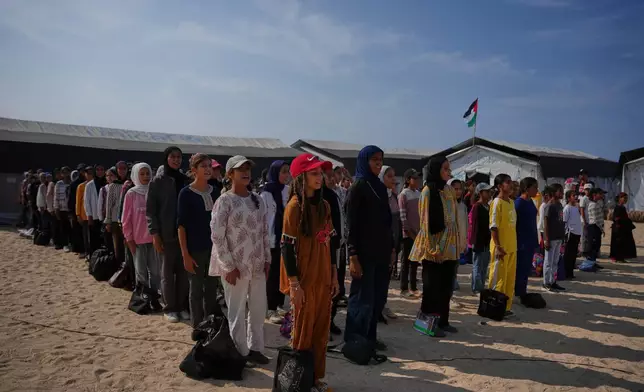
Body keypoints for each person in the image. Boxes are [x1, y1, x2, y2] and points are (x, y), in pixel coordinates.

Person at [280, 153, 339, 391]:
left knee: (321, 331)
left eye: (320, 173)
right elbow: (286, 248)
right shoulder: (294, 208)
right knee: (302, 332)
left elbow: (331, 244)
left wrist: (334, 275)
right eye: (314, 173)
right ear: (301, 177)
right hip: (303, 279)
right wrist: (294, 285)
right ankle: (299, 381)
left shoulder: (325, 206)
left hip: (324, 277)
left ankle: (315, 378)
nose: (319, 177)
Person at [209, 155, 270, 365]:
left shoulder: (258, 200)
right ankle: (240, 352)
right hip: (235, 266)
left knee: (258, 308)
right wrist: (228, 266)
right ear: (230, 174)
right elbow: (217, 236)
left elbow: (264, 232)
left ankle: (256, 348)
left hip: (257, 264)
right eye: (239, 169)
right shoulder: (224, 201)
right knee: (236, 310)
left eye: (247, 168)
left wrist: (267, 259)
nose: (245, 172)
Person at [344, 145, 393, 352]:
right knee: (361, 298)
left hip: (381, 253)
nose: (378, 163)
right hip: (363, 254)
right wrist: (353, 256)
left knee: (376, 298)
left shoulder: (380, 187)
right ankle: (355, 340)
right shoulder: (358, 187)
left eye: (380, 159)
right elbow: (350, 225)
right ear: (365, 161)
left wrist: (391, 250)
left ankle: (369, 337)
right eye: (374, 159)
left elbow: (386, 222)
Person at [409, 156, 459, 337]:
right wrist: (432, 249)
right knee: (432, 288)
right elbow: (425, 222)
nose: (449, 172)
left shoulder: (448, 190)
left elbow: (454, 220)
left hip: (450, 247)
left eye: (449, 169)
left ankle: (443, 321)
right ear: (436, 169)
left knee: (446, 287)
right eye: (445, 169)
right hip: (434, 247)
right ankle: (427, 325)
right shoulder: (427, 191)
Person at [178, 154, 222, 329]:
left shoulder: (216, 191)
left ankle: (210, 325)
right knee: (196, 290)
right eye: (203, 166)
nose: (208, 169)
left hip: (214, 250)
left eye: (209, 165)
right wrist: (185, 255)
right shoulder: (186, 193)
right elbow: (181, 226)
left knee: (211, 289)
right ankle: (197, 327)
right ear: (194, 170)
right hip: (195, 250)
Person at [147, 146, 190, 323]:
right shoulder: (157, 182)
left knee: (182, 273)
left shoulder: (185, 180)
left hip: (184, 235)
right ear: (166, 158)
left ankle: (181, 306)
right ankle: (170, 308)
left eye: (179, 157)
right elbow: (151, 211)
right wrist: (155, 234)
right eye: (173, 156)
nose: (176, 160)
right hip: (166, 235)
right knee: (166, 273)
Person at [260, 160, 290, 324]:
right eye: (283, 172)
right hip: (271, 239)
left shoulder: (288, 191)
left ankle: (279, 304)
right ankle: (270, 308)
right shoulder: (265, 193)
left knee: (282, 274)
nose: (286, 175)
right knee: (271, 276)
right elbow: (263, 219)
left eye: (287, 172)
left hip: (285, 240)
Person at [122, 163, 161, 294]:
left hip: (154, 239)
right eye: (142, 174)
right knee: (141, 272)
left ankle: (154, 296)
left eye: (148, 173)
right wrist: (129, 239)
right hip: (137, 241)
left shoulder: (154, 191)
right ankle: (142, 297)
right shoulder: (131, 194)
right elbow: (126, 219)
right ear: (136, 175)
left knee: (155, 271)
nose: (145, 176)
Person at [487, 173, 518, 316]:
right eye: (507, 182)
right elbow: (493, 227)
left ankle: (505, 307)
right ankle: (493, 307)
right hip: (501, 248)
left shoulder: (511, 202)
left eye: (511, 181)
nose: (510, 184)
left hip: (512, 247)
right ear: (499, 186)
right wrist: (498, 247)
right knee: (498, 279)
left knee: (509, 279)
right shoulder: (496, 203)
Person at [325, 165, 349, 335]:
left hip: (340, 246)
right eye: (328, 176)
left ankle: (330, 320)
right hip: (326, 249)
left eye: (334, 175)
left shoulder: (338, 194)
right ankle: (322, 324)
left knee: (336, 285)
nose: (333, 179)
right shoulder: (321, 198)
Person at [379, 165, 400, 320]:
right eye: (389, 176)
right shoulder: (378, 196)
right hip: (380, 243)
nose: (393, 179)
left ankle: (383, 305)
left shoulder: (393, 196)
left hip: (391, 240)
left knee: (386, 276)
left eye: (394, 176)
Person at [514, 177, 539, 298]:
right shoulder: (518, 203)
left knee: (526, 269)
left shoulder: (530, 202)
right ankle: (517, 293)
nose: (537, 190)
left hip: (530, 240)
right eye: (535, 187)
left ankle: (522, 291)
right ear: (527, 188)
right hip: (521, 241)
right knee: (520, 269)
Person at [399, 169, 421, 297]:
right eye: (414, 178)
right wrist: (409, 232)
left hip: (418, 233)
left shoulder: (418, 194)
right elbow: (403, 217)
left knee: (415, 261)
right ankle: (404, 288)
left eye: (418, 178)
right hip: (408, 234)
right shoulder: (403, 194)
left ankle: (413, 287)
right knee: (405, 262)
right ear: (408, 180)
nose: (417, 181)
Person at [469, 183, 493, 294]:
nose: (489, 193)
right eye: (486, 191)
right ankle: (476, 288)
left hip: (487, 241)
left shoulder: (488, 206)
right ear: (480, 193)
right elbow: (473, 226)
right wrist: (473, 242)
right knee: (477, 266)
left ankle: (481, 287)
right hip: (478, 241)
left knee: (484, 266)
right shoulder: (476, 207)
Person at [542, 183, 566, 292]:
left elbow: (561, 221)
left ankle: (553, 281)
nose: (562, 193)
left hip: (558, 237)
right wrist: (546, 239)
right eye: (559, 191)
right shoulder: (549, 206)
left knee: (555, 261)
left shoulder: (560, 205)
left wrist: (563, 236)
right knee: (548, 261)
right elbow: (545, 223)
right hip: (551, 238)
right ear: (553, 192)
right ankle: (546, 282)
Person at [106, 162, 129, 267]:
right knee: (118, 247)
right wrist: (108, 221)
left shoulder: (131, 183)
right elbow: (109, 205)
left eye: (124, 168)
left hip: (128, 219)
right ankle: (119, 270)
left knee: (128, 247)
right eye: (119, 168)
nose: (122, 170)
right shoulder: (113, 185)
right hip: (116, 220)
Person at [447, 178, 468, 291]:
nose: (458, 191)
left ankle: (453, 280)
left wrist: (464, 243)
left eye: (460, 189)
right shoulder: (447, 206)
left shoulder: (462, 206)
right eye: (455, 189)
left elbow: (464, 225)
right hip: (449, 242)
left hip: (459, 241)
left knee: (456, 264)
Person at [84, 165, 106, 254]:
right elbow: (86, 201)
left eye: (102, 169)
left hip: (105, 216)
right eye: (98, 170)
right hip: (94, 216)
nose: (100, 171)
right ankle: (93, 257)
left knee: (105, 238)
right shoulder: (89, 185)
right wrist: (89, 215)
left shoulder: (107, 182)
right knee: (94, 238)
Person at [610, 192, 637, 263]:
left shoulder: (622, 207)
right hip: (619, 229)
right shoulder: (618, 207)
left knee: (623, 243)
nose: (625, 200)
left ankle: (620, 257)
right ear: (619, 199)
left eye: (626, 198)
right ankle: (616, 257)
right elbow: (616, 218)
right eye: (624, 198)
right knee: (618, 243)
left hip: (623, 228)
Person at [583, 189, 605, 271]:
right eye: (600, 193)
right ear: (594, 195)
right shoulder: (593, 205)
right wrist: (601, 229)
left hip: (597, 227)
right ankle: (590, 264)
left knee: (596, 246)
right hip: (594, 227)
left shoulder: (597, 203)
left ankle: (593, 262)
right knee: (593, 246)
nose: (602, 195)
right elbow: (595, 220)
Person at [563, 190, 582, 278]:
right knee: (569, 254)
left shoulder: (576, 207)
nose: (575, 197)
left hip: (577, 232)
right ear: (568, 198)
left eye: (575, 195)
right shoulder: (567, 208)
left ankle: (571, 272)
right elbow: (565, 221)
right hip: (571, 233)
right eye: (573, 195)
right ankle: (567, 272)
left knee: (574, 253)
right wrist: (565, 234)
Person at [54, 167, 72, 251]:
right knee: (63, 227)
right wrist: (56, 208)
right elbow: (56, 197)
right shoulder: (58, 184)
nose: (65, 174)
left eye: (67, 172)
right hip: (61, 208)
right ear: (61, 174)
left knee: (71, 227)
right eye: (63, 172)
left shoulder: (72, 183)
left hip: (70, 209)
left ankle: (71, 243)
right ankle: (65, 244)